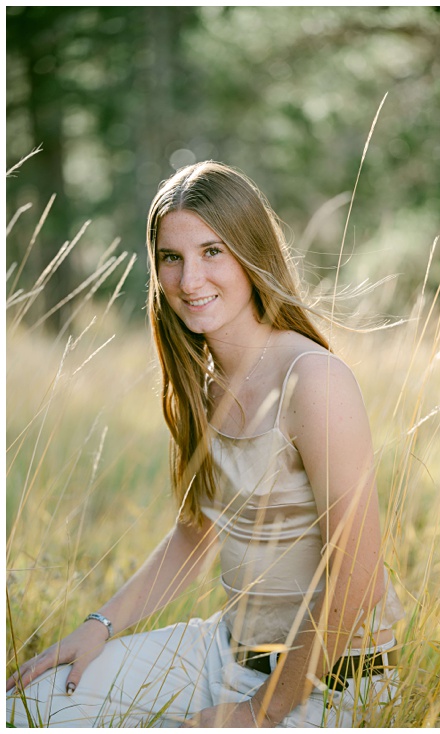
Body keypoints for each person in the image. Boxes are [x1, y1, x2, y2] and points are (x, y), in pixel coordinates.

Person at [6, 161, 404, 727]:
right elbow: (196, 533)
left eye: (213, 251)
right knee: (34, 706)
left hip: (332, 682)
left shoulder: (313, 380)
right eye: (173, 257)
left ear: (251, 253)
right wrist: (99, 625)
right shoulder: (203, 381)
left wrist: (258, 712)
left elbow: (357, 576)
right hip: (226, 652)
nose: (190, 280)